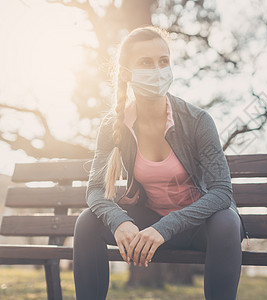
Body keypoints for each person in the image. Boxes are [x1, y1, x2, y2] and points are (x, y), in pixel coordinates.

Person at [73, 25, 248, 300]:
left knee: (227, 221)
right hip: (150, 223)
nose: (157, 70)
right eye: (146, 62)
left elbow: (222, 192)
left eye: (163, 61)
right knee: (87, 222)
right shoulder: (114, 125)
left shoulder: (198, 121)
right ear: (128, 73)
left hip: (201, 228)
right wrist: (120, 222)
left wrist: (164, 228)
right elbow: (95, 190)